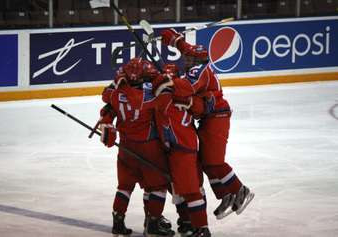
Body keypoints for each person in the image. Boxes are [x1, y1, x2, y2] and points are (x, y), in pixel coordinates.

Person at [156, 28, 254, 220]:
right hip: (210, 118)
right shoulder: (200, 64)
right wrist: (174, 39)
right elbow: (189, 50)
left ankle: (240, 190)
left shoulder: (199, 69)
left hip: (217, 118)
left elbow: (186, 87)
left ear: (197, 61)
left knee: (215, 161)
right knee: (205, 161)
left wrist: (169, 82)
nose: (187, 61)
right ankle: (225, 194)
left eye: (191, 59)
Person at [99, 57, 175, 236]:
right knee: (156, 187)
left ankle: (118, 223)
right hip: (150, 148)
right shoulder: (150, 96)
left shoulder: (115, 95)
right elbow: (168, 91)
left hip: (126, 148)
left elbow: (105, 95)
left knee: (124, 186)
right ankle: (153, 226)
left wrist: (119, 82)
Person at [151, 65, 211, 237]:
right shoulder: (188, 95)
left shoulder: (161, 101)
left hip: (179, 150)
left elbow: (161, 124)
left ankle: (201, 228)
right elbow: (201, 109)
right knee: (190, 188)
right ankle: (188, 223)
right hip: (191, 146)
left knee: (188, 190)